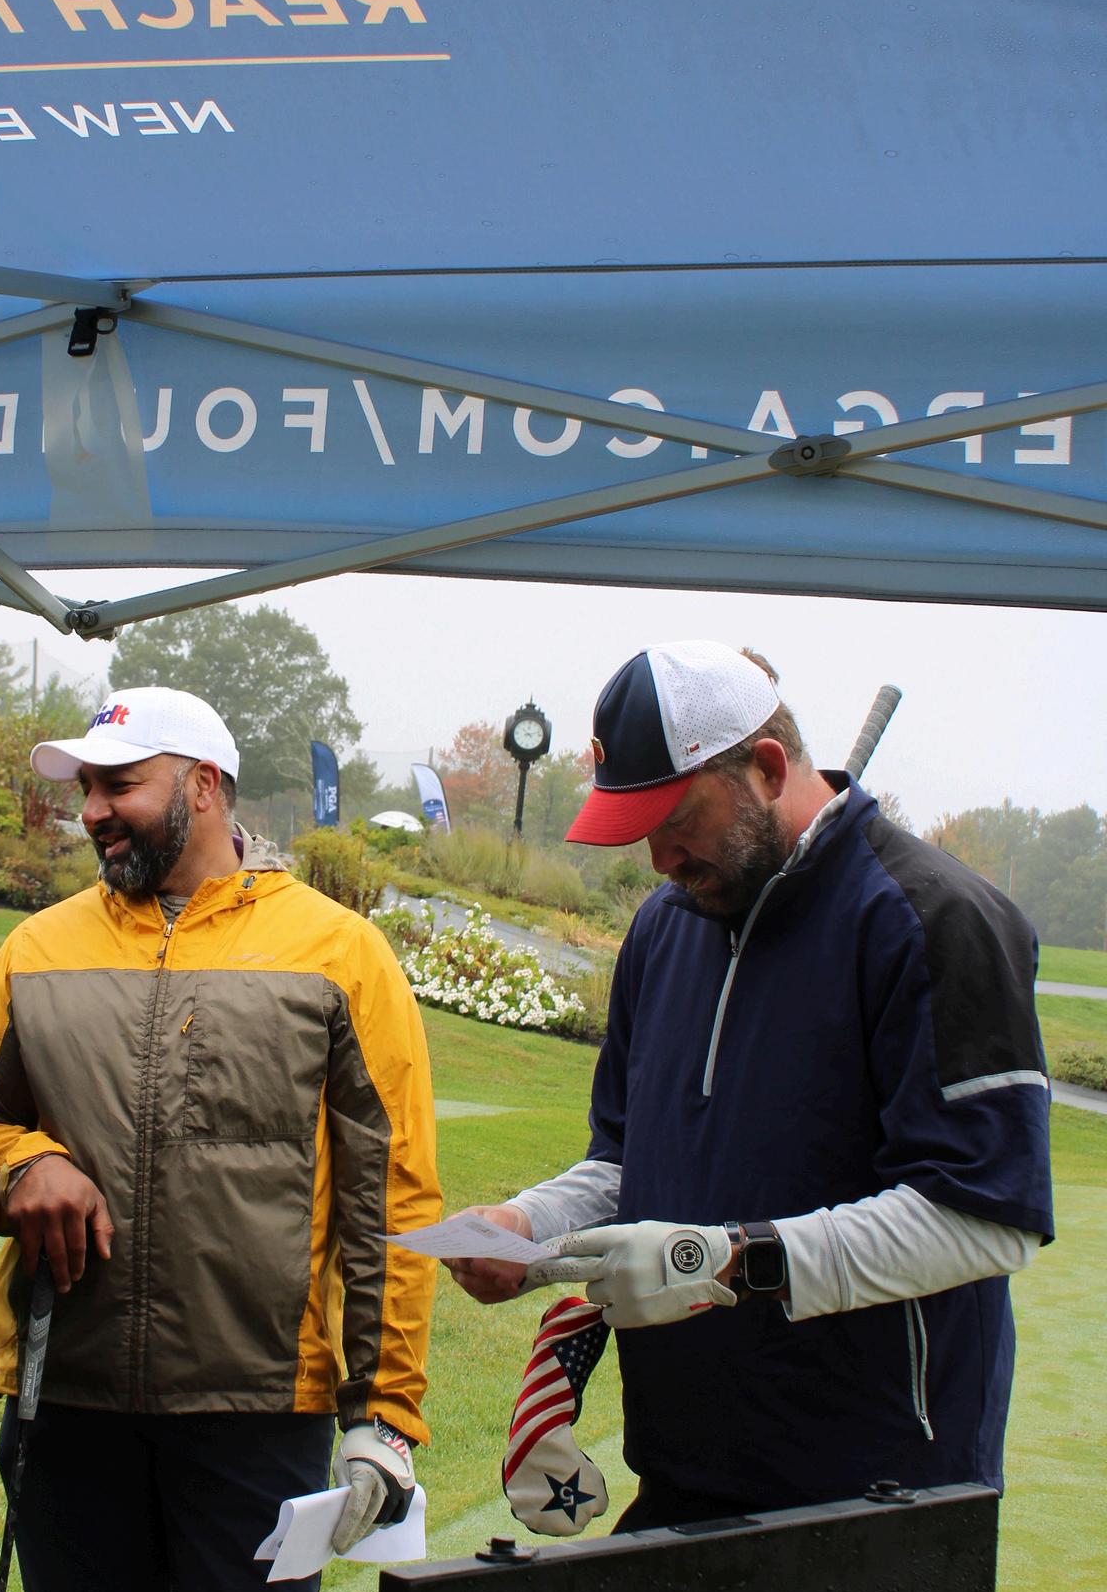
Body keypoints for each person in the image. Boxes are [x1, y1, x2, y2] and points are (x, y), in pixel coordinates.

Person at [0, 685, 439, 1592]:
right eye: (85, 788)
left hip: (256, 1410)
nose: (92, 810)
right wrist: (25, 1161)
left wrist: (385, 1414)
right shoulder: (37, 949)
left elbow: (392, 1197)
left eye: (119, 784)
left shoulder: (336, 950)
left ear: (204, 787)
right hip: (70, 1405)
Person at [448, 641, 1052, 1528]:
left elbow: (984, 1217)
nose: (659, 858)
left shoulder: (934, 920)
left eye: (676, 818)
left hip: (878, 1492)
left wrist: (722, 1260)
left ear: (768, 768)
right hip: (683, 1463)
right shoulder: (665, 927)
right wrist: (532, 1224)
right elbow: (631, 1162)